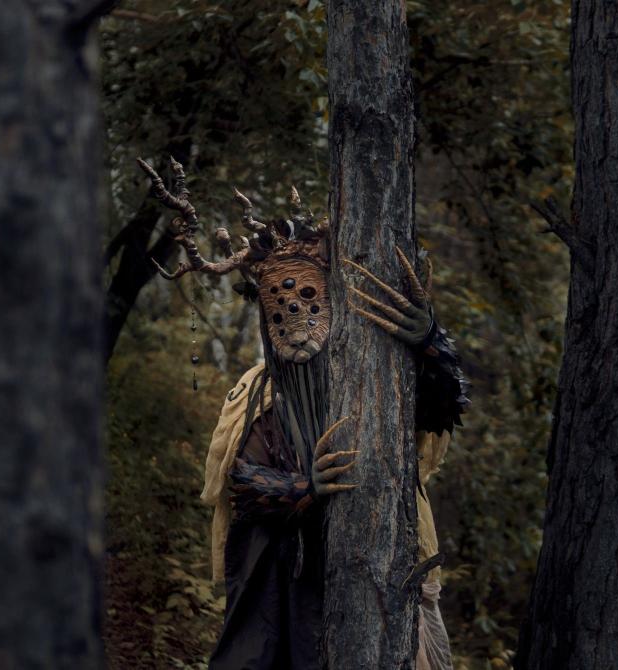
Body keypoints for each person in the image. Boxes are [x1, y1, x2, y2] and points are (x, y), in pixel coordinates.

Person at [143, 157, 469, 669]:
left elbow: (442, 410)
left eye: (308, 293)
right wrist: (303, 488)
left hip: (383, 578)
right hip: (289, 587)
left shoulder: (375, 377)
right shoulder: (257, 394)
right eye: (279, 297)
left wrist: (430, 343)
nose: (293, 308)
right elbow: (242, 484)